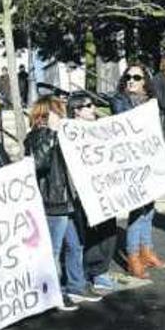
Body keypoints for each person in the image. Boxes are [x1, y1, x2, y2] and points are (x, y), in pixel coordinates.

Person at [26, 96, 101, 309]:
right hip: (53, 201)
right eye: (59, 111)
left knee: (75, 245)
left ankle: (76, 284)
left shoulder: (61, 134)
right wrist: (50, 132)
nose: (63, 115)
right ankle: (53, 291)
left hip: (68, 200)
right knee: (54, 249)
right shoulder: (37, 136)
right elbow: (39, 163)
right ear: (48, 114)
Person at [110, 64, 165, 279]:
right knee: (137, 211)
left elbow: (158, 134)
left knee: (149, 210)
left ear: (145, 81)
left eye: (136, 77)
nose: (131, 81)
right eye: (128, 77)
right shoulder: (119, 100)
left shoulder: (152, 102)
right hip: (131, 165)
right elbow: (126, 122)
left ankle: (147, 251)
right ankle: (133, 257)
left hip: (151, 162)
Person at [68, 94, 118, 294]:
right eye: (87, 106)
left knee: (109, 229)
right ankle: (95, 271)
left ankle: (101, 269)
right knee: (91, 232)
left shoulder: (100, 127)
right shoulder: (69, 133)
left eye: (93, 104)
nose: (93, 108)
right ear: (76, 111)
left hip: (106, 187)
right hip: (85, 191)